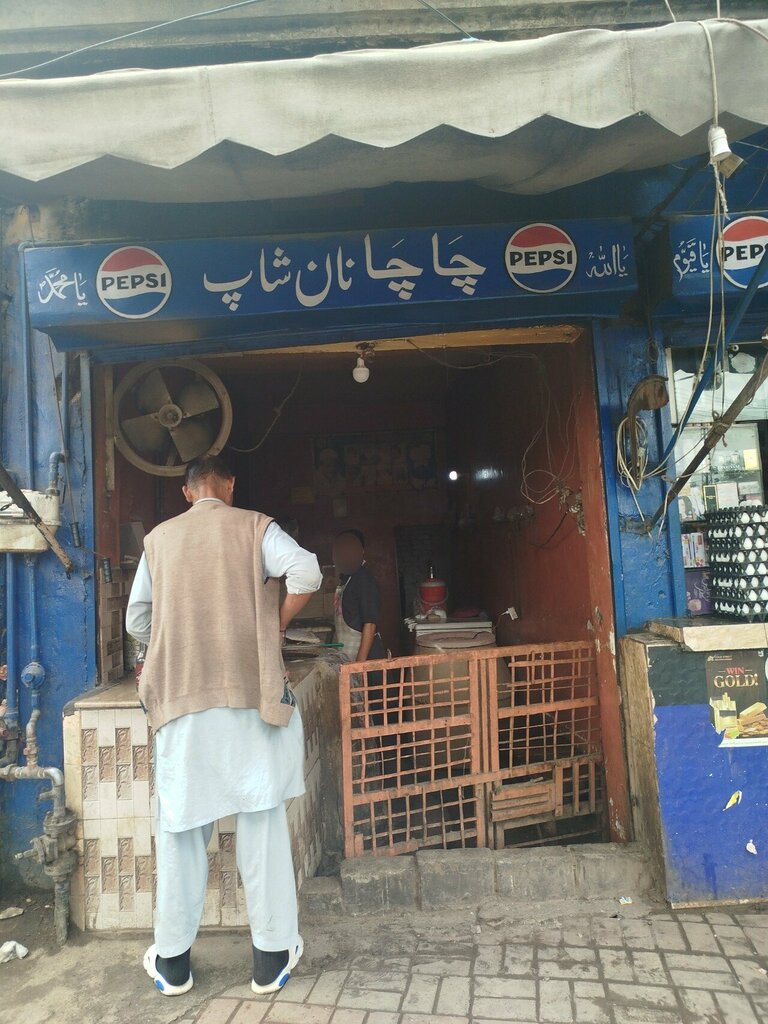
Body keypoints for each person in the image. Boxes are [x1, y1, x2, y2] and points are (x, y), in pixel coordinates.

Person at [126, 454, 322, 998]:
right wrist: (272, 623)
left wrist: (176, 630)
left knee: (181, 833)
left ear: (187, 492)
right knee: (261, 825)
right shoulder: (255, 527)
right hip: (249, 702)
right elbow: (307, 571)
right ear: (230, 486)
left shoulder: (159, 540)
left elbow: (137, 621)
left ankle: (173, 965)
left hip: (183, 706)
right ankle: (270, 961)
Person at [332, 529, 386, 665]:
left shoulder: (363, 578)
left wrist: (359, 665)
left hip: (365, 658)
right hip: (347, 655)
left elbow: (370, 624)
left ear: (361, 551)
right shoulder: (347, 579)